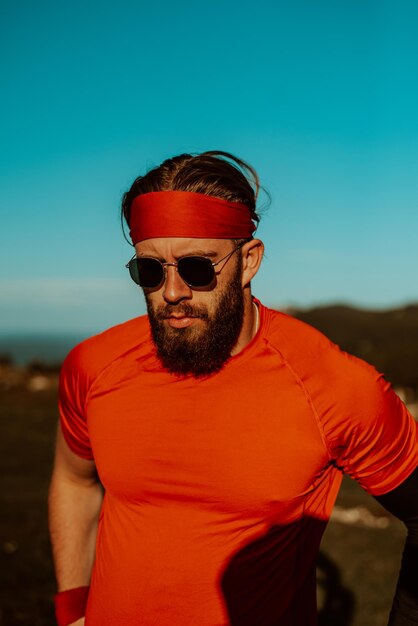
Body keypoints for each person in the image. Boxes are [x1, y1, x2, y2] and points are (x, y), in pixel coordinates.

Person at [48, 151, 418, 626]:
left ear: (248, 261)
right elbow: (75, 479)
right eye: (150, 271)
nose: (173, 292)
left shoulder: (333, 386)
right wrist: (73, 608)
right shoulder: (94, 365)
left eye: (197, 268)